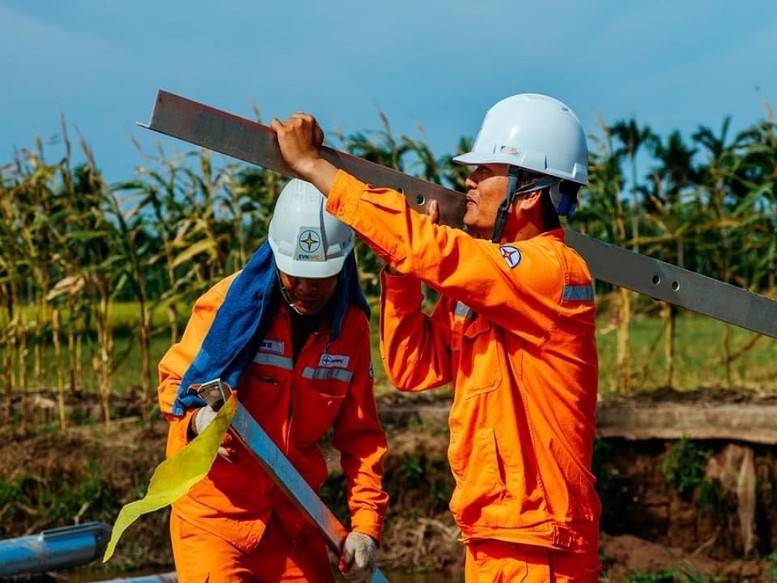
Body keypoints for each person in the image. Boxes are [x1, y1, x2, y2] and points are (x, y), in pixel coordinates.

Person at [270, 93, 602, 581]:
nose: (468, 182)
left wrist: (312, 166)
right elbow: (412, 366)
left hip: (539, 544)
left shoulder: (549, 271)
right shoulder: (494, 287)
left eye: (484, 172)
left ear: (530, 192)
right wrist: (401, 279)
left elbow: (430, 250)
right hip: (496, 536)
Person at [157, 178, 389, 583]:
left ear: (344, 266)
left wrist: (366, 526)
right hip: (215, 519)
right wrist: (198, 421)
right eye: (294, 275)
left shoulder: (350, 330)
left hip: (295, 521)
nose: (305, 289)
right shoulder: (230, 306)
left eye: (319, 278)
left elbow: (362, 436)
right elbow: (174, 384)